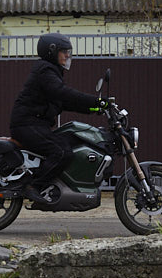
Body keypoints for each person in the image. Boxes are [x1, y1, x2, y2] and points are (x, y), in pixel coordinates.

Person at [9, 33, 104, 201]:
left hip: (35, 125)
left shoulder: (51, 72)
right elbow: (62, 93)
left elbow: (64, 103)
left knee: (66, 143)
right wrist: (95, 100)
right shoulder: (45, 71)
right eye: (63, 51)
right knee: (62, 152)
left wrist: (95, 108)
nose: (67, 55)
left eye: (68, 52)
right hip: (27, 125)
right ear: (51, 51)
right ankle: (34, 186)